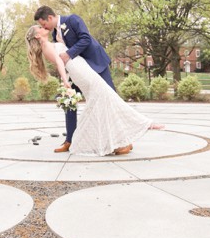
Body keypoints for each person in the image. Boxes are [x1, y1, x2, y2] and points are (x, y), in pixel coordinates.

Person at [25, 23, 163, 157]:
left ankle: (122, 140)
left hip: (82, 68)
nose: (43, 27)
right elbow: (60, 61)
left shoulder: (51, 43)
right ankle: (144, 124)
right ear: (37, 35)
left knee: (104, 100)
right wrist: (65, 80)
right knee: (107, 97)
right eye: (40, 28)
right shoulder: (46, 46)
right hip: (80, 71)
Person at [34, 6, 113, 152]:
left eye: (44, 24)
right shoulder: (55, 34)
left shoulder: (73, 20)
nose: (43, 27)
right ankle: (70, 140)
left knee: (110, 99)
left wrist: (69, 53)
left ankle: (122, 140)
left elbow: (85, 39)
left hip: (95, 65)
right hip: (76, 72)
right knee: (69, 102)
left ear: (50, 18)